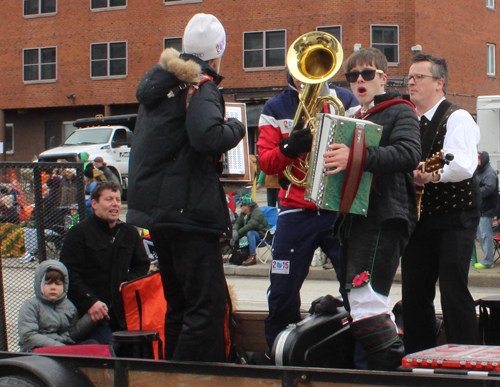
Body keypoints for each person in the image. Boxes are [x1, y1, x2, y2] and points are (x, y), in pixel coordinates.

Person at [126, 13, 245, 362]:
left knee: (178, 304)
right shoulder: (201, 85)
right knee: (205, 305)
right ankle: (191, 377)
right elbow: (208, 137)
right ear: (218, 50)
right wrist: (237, 126)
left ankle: (169, 374)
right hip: (189, 211)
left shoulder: (160, 87)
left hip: (160, 212)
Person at [323, 47, 421, 370]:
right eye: (353, 76)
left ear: (383, 78)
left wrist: (355, 156)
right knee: (360, 300)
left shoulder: (401, 110)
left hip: (384, 216)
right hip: (356, 218)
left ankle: (395, 371)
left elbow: (408, 155)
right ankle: (391, 369)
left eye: (367, 74)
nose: (359, 80)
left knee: (365, 299)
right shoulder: (354, 117)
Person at [256, 66, 360, 361]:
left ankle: (357, 355)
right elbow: (265, 163)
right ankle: (277, 355)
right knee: (282, 292)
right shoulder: (275, 107)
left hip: (337, 209)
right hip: (295, 210)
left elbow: (361, 146)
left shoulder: (344, 99)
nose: (308, 75)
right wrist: (288, 148)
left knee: (355, 287)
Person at [401, 53, 481, 355]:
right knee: (414, 292)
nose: (411, 82)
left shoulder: (456, 117)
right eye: (409, 77)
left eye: (419, 77)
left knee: (452, 289)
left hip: (455, 216)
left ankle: (469, 358)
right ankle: (417, 357)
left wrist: (431, 176)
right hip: (419, 217)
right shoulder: (408, 119)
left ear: (439, 83)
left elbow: (462, 165)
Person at [60, 181, 150, 344]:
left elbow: (142, 264)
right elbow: (69, 274)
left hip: (124, 314)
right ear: (94, 204)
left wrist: (127, 283)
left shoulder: (128, 232)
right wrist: (90, 302)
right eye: (109, 199)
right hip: (93, 316)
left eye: (117, 199)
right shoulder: (79, 234)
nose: (115, 204)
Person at [18, 260, 96, 352]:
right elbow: (28, 336)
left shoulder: (68, 305)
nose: (53, 287)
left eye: (58, 284)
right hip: (37, 349)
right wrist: (58, 346)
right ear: (39, 284)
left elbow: (72, 333)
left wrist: (90, 319)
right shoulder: (31, 306)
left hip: (62, 347)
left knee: (93, 344)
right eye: (48, 283)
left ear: (65, 285)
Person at [475, 151, 499, 269]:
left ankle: (488, 261)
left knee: (485, 235)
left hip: (487, 208)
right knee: (481, 235)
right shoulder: (482, 170)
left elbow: (489, 188)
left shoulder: (489, 173)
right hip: (482, 208)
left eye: (478, 159)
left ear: (483, 160)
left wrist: (475, 193)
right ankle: (486, 258)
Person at [231, 194, 270, 266]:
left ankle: (252, 256)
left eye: (241, 205)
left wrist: (239, 234)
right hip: (251, 236)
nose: (240, 207)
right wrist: (235, 230)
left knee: (250, 232)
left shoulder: (257, 212)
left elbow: (251, 225)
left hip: (262, 235)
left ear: (247, 206)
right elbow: (238, 223)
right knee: (246, 232)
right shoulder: (243, 214)